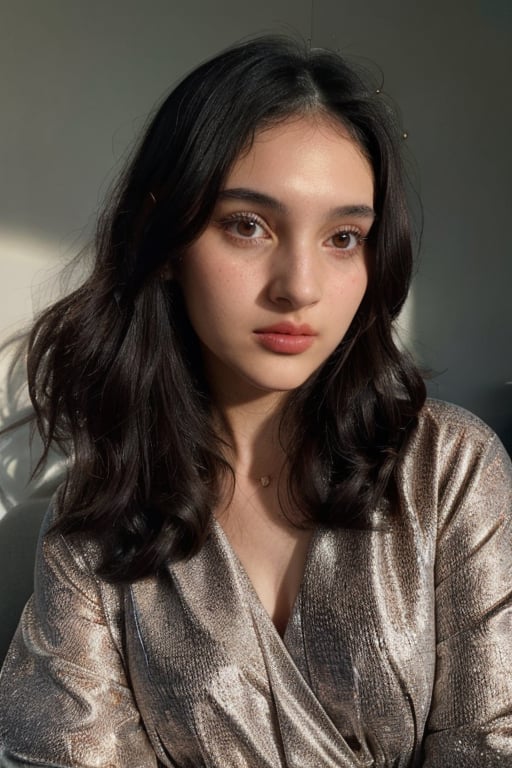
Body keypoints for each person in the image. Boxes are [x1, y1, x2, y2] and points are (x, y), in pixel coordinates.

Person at [0, 35, 511, 768]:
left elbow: (494, 743)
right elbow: (60, 755)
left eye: (343, 237)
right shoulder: (99, 515)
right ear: (166, 235)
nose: (299, 287)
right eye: (248, 225)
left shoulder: (449, 468)